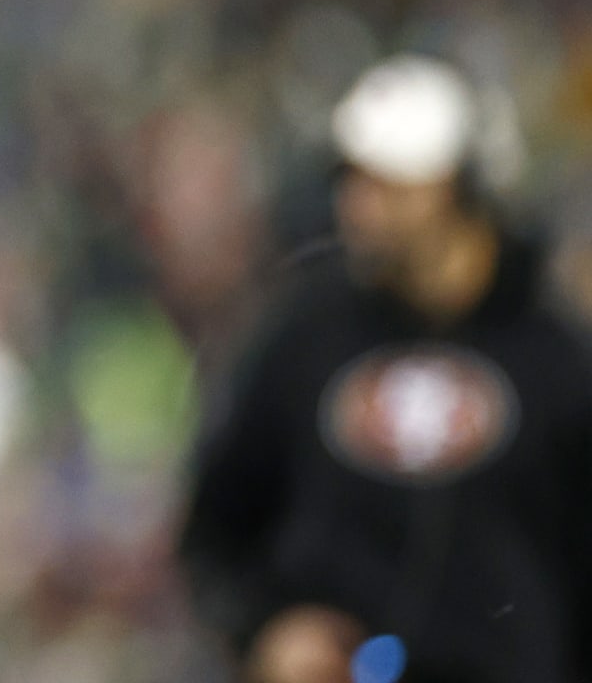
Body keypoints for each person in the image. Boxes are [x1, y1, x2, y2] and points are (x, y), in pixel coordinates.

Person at [177, 54, 592, 683]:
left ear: (460, 187)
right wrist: (264, 628)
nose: (359, 209)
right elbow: (216, 528)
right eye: (354, 183)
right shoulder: (306, 338)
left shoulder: (553, 358)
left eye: (392, 187)